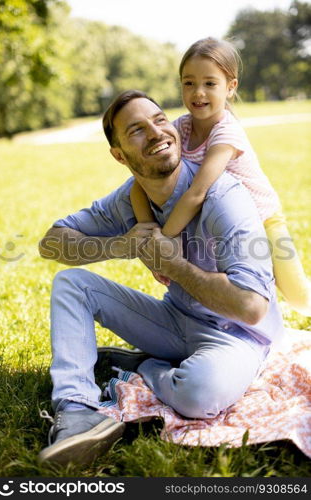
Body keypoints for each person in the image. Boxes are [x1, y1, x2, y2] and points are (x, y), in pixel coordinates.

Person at [38, 89, 285, 466]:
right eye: (137, 130)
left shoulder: (222, 197)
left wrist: (175, 266)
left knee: (200, 394)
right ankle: (77, 409)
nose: (156, 133)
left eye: (159, 120)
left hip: (237, 335)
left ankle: (144, 367)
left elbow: (251, 308)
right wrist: (121, 245)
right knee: (72, 284)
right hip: (176, 321)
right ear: (119, 155)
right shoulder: (126, 200)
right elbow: (52, 243)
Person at [130, 37, 311, 316]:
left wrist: (165, 240)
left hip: (263, 221)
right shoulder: (180, 128)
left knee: (299, 297)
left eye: (210, 84)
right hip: (221, 228)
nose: (198, 92)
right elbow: (139, 184)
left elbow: (197, 192)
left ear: (231, 87)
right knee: (233, 294)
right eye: (189, 83)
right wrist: (151, 235)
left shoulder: (227, 133)